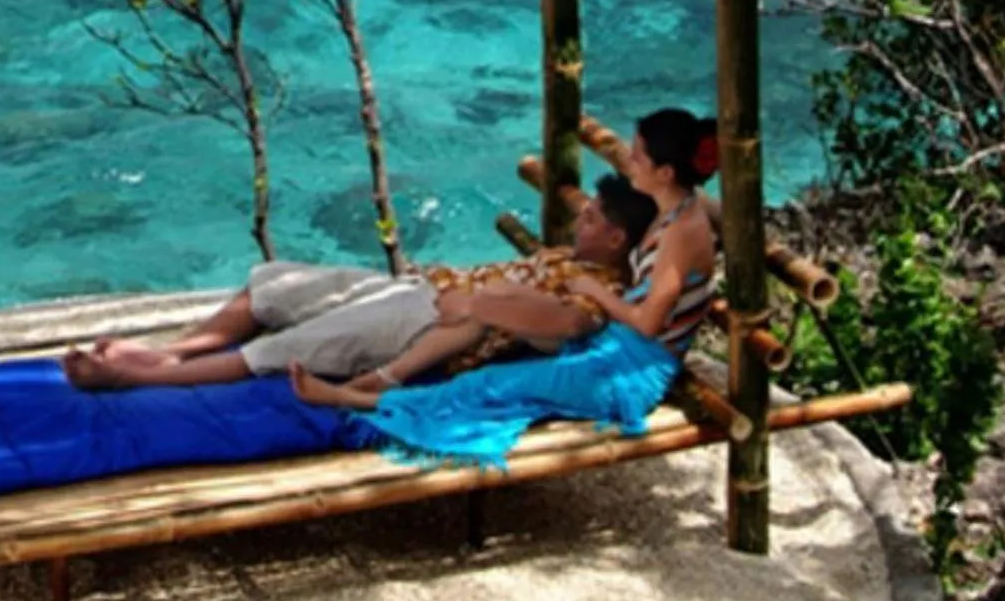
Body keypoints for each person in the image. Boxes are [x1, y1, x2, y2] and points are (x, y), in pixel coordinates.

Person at [288, 108, 720, 468]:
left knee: (494, 386)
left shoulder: (683, 231)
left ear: (664, 173)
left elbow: (648, 323)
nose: (627, 160)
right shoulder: (678, 207)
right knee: (512, 329)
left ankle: (354, 398)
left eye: (638, 156)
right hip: (611, 345)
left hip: (629, 371)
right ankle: (396, 372)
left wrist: (595, 288)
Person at [61, 174, 657, 391]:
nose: (582, 218)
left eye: (595, 219)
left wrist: (470, 299)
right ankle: (174, 349)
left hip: (431, 322)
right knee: (278, 282)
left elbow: (567, 324)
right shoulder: (569, 257)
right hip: (417, 291)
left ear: (617, 242)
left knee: (281, 351)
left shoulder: (592, 288)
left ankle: (140, 378)